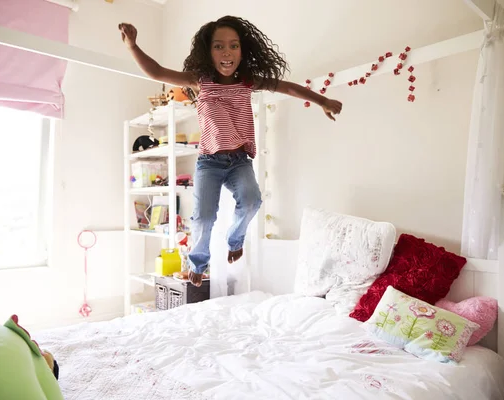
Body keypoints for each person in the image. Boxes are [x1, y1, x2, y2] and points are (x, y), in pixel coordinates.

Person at [119, 16, 342, 287]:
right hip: (209, 162)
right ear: (207, 52)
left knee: (252, 201)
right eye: (218, 47)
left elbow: (288, 87)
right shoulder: (199, 80)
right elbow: (156, 71)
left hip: (238, 161)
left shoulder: (247, 81)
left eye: (233, 46)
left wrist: (323, 101)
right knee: (203, 216)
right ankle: (198, 262)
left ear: (243, 50)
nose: (227, 53)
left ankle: (235, 241)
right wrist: (133, 45)